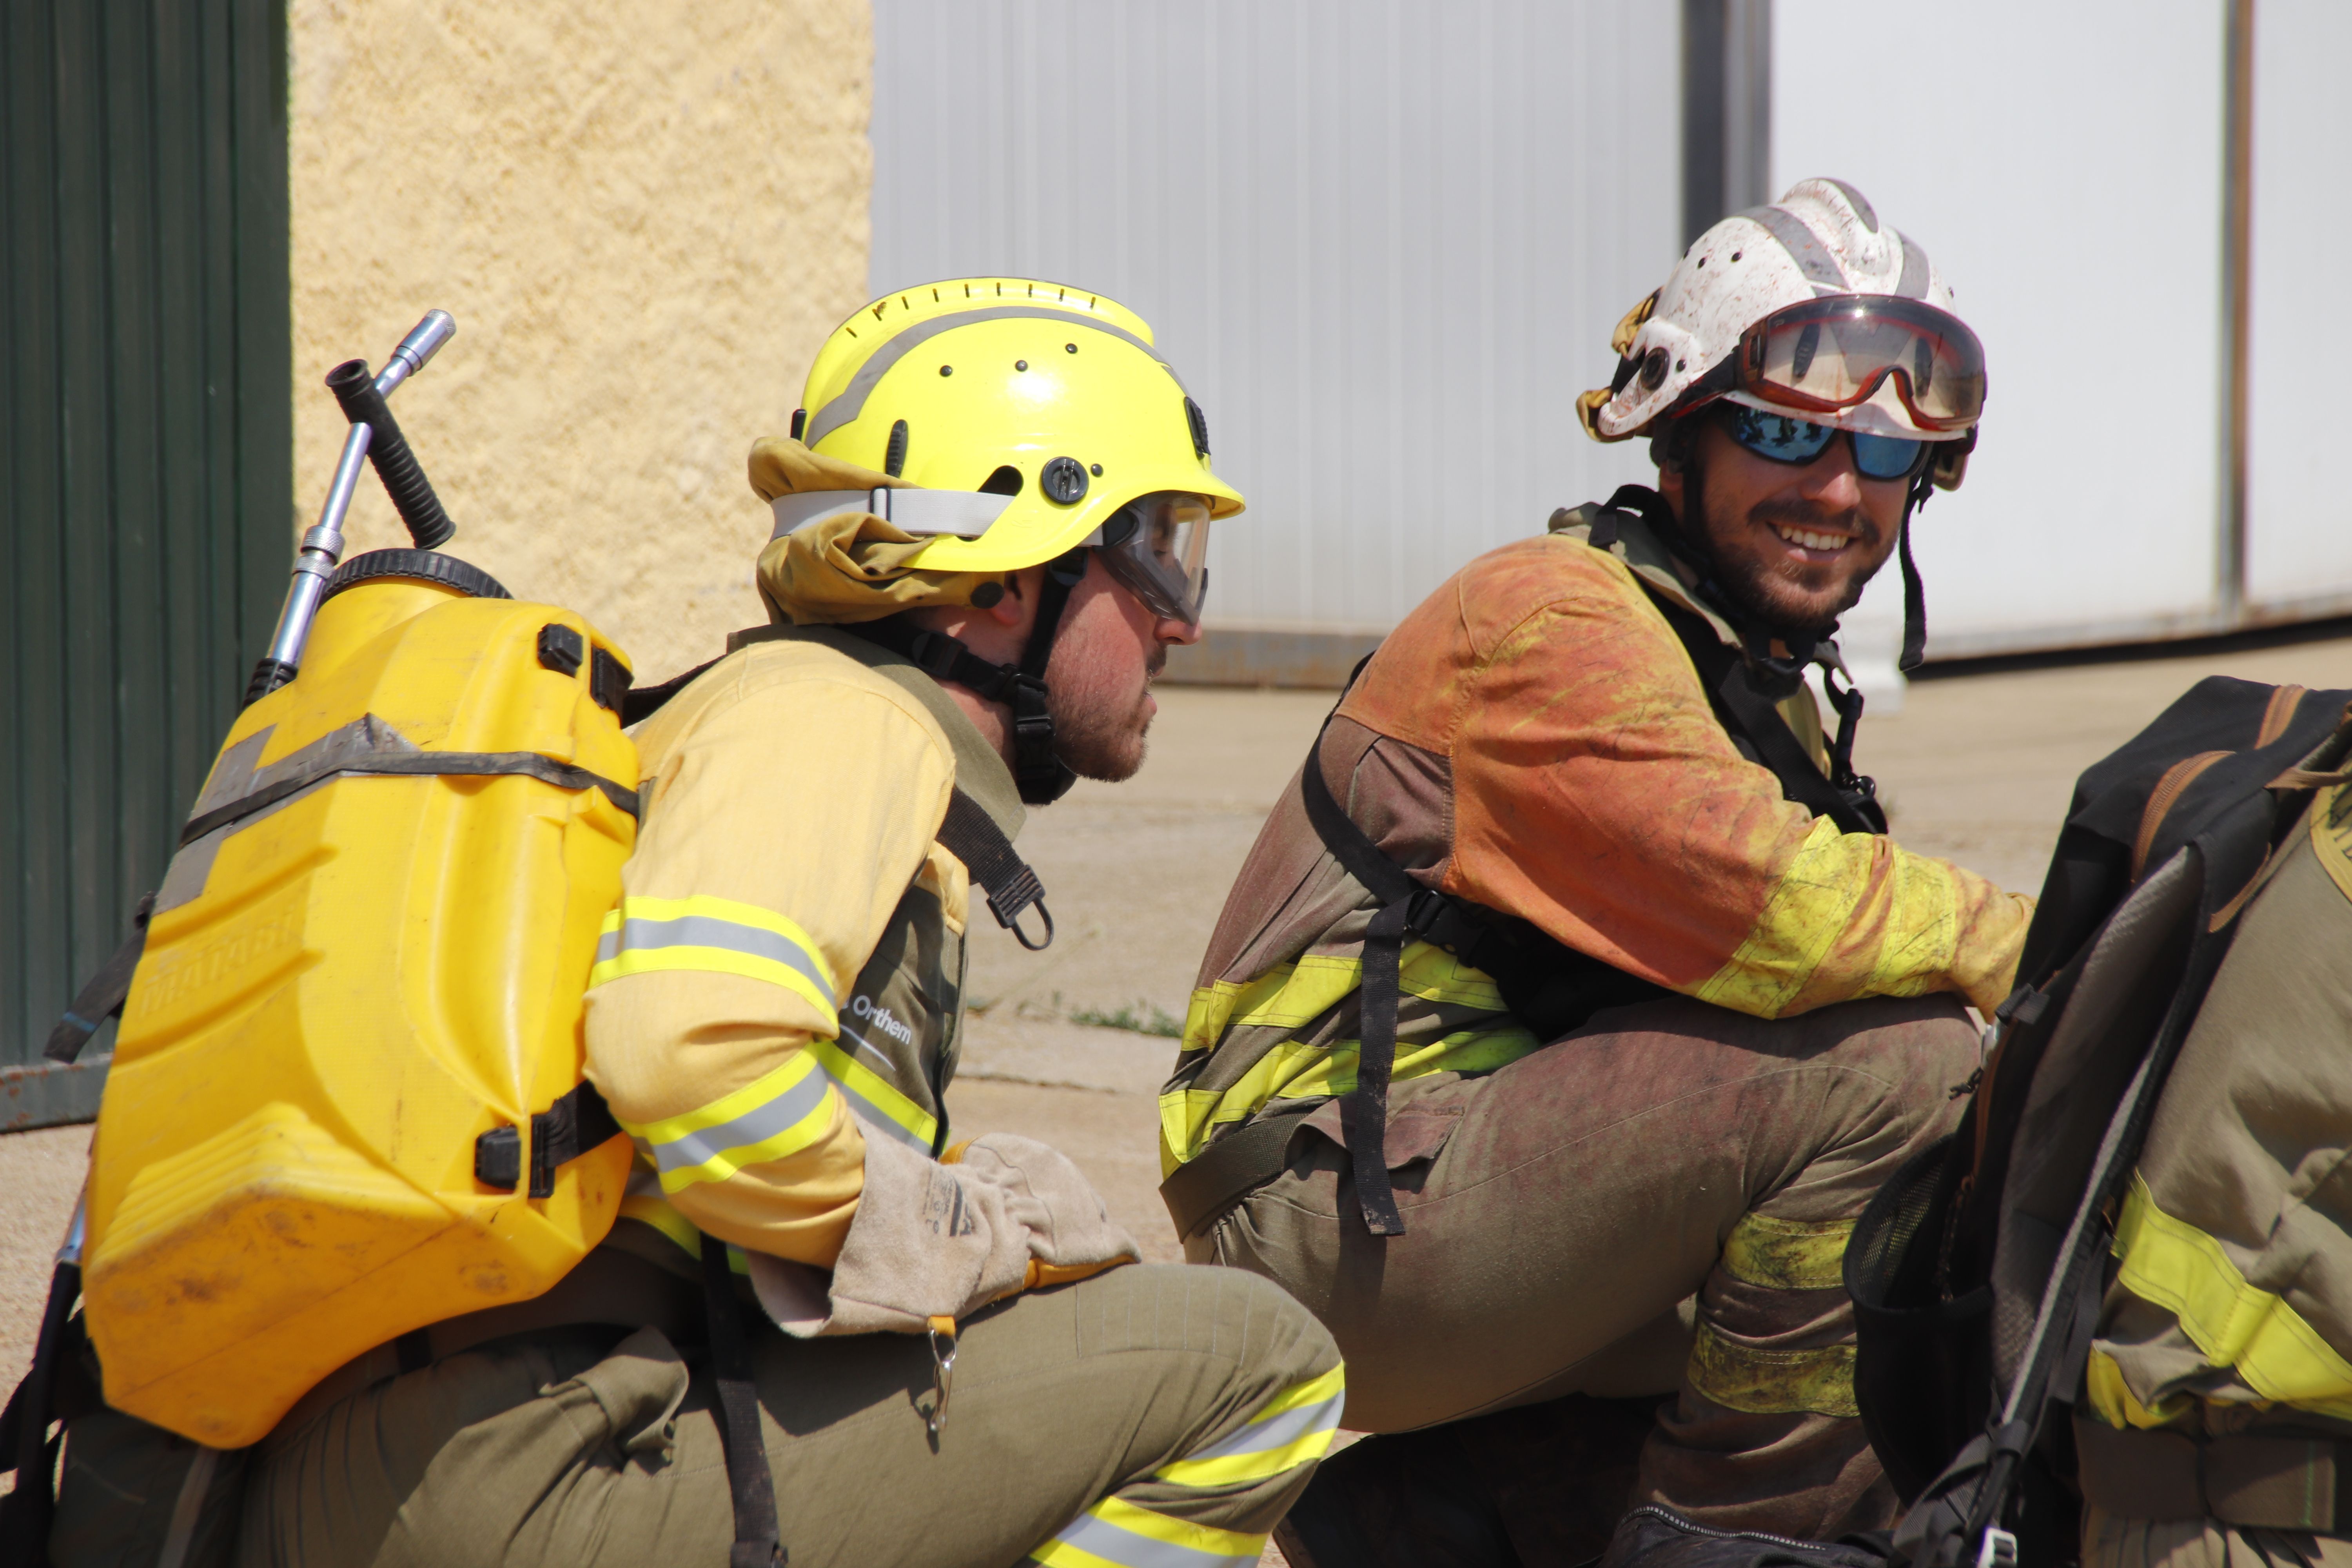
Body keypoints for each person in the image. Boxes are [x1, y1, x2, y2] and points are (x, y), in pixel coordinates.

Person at [52, 280, 1342, 1568]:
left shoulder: (730, 721)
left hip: (388, 1464)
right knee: (1260, 1367)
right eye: (1156, 549)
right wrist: (962, 1232)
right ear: (1008, 578)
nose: (1181, 614)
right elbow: (690, 1053)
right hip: (538, 1470)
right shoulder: (842, 722)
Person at [1159, 180, 2028, 1548]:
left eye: (1880, 455)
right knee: (1899, 1076)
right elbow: (1786, 908)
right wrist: (2078, 947)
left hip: (1436, 1187)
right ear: (1676, 435)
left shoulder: (1748, 674)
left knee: (1929, 1227)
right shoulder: (1550, 617)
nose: (1840, 489)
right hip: (1326, 1212)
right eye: (1782, 432)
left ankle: (1449, 1520)